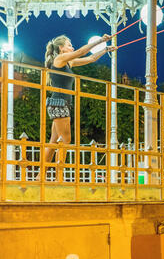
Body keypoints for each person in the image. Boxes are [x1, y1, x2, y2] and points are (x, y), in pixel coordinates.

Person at [38, 34, 115, 181]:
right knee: (65, 140)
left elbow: (90, 59)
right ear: (61, 49)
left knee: (54, 141)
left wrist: (105, 49)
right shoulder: (59, 59)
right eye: (69, 45)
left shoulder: (68, 63)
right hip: (60, 103)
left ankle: (40, 176)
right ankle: (59, 178)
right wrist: (100, 41)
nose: (72, 47)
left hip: (59, 103)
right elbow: (81, 52)